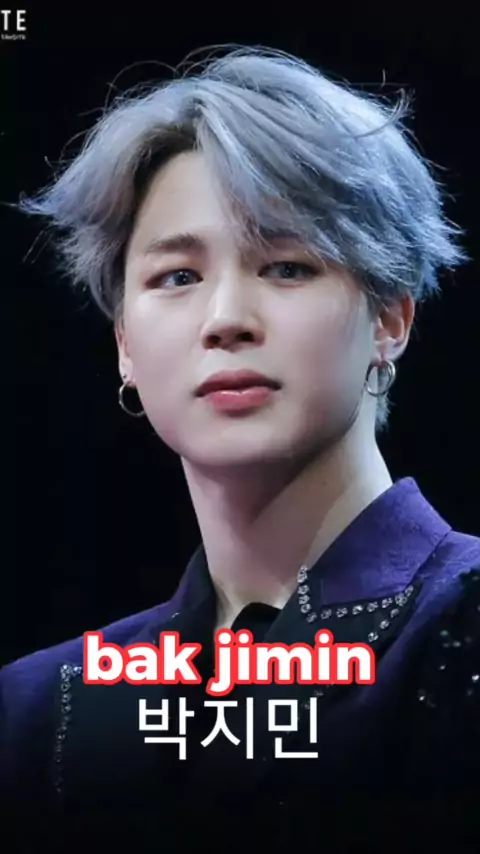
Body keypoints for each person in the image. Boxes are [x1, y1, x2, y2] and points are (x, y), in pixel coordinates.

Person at [1, 44, 479, 852]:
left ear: (390, 320)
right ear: (124, 344)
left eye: (286, 267)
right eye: (177, 277)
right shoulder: (37, 711)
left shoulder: (460, 628)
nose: (225, 318)